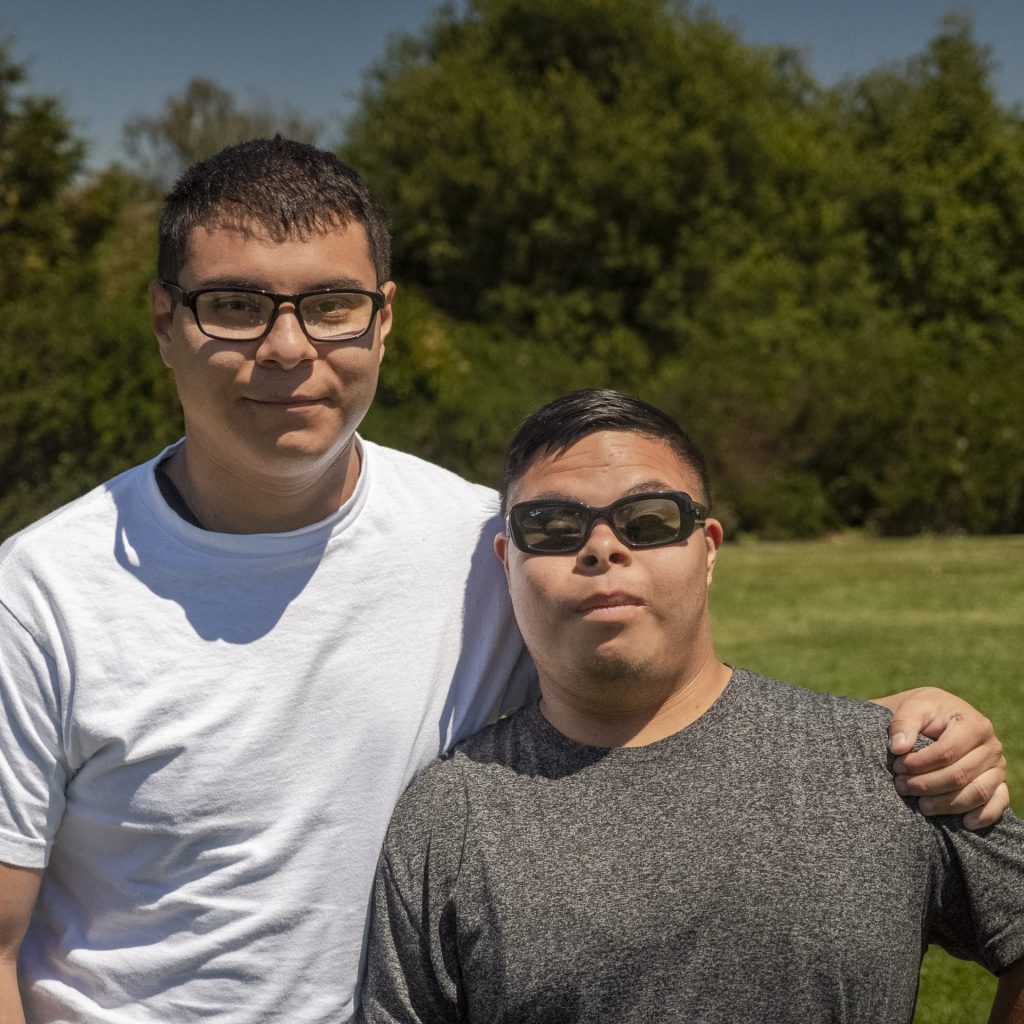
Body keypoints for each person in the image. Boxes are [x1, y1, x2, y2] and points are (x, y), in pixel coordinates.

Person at [0, 140, 1009, 1024]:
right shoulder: (43, 590)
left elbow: (661, 685)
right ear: (165, 320)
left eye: (331, 305)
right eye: (234, 306)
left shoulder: (483, 538)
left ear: (382, 320)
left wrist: (866, 744)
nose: (288, 346)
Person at [357, 389, 1024, 1024]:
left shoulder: (890, 765)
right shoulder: (447, 818)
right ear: (507, 562)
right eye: (553, 527)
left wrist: (852, 741)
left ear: (707, 548)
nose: (601, 547)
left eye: (648, 521)